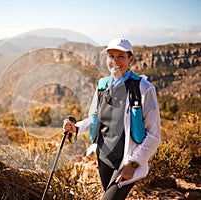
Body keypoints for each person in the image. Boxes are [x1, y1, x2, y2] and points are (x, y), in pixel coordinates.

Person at [63, 38, 161, 199]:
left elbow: (154, 135)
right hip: (103, 158)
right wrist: (77, 127)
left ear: (131, 59)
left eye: (120, 56)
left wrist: (133, 163)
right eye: (111, 56)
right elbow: (95, 118)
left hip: (126, 162)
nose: (115, 61)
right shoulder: (102, 85)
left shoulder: (143, 88)